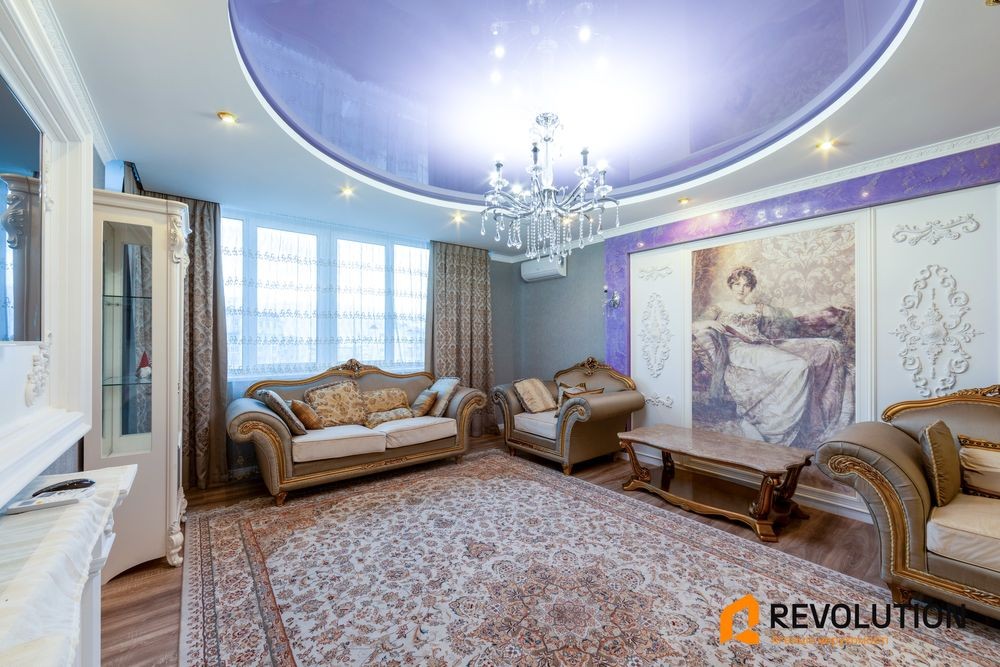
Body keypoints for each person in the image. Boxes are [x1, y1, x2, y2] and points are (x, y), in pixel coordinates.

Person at [694, 265, 851, 447]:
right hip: (737, 349)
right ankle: (773, 428)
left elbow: (792, 312)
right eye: (737, 284)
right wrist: (708, 322)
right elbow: (694, 325)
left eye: (746, 285)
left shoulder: (758, 308)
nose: (741, 289)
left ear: (751, 288)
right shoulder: (719, 307)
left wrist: (828, 306)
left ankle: (778, 423)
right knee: (798, 366)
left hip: (761, 345)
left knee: (813, 356)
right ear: (730, 285)